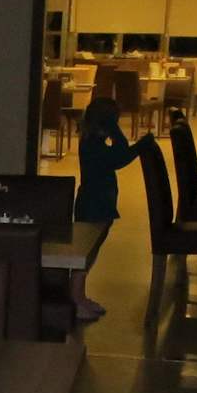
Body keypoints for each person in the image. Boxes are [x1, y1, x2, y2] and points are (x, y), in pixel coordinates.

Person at [72, 94, 141, 319]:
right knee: (86, 251)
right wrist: (117, 132)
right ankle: (75, 297)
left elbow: (119, 156)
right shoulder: (92, 145)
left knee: (91, 249)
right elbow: (119, 157)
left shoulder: (93, 142)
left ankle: (79, 295)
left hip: (99, 201)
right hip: (94, 203)